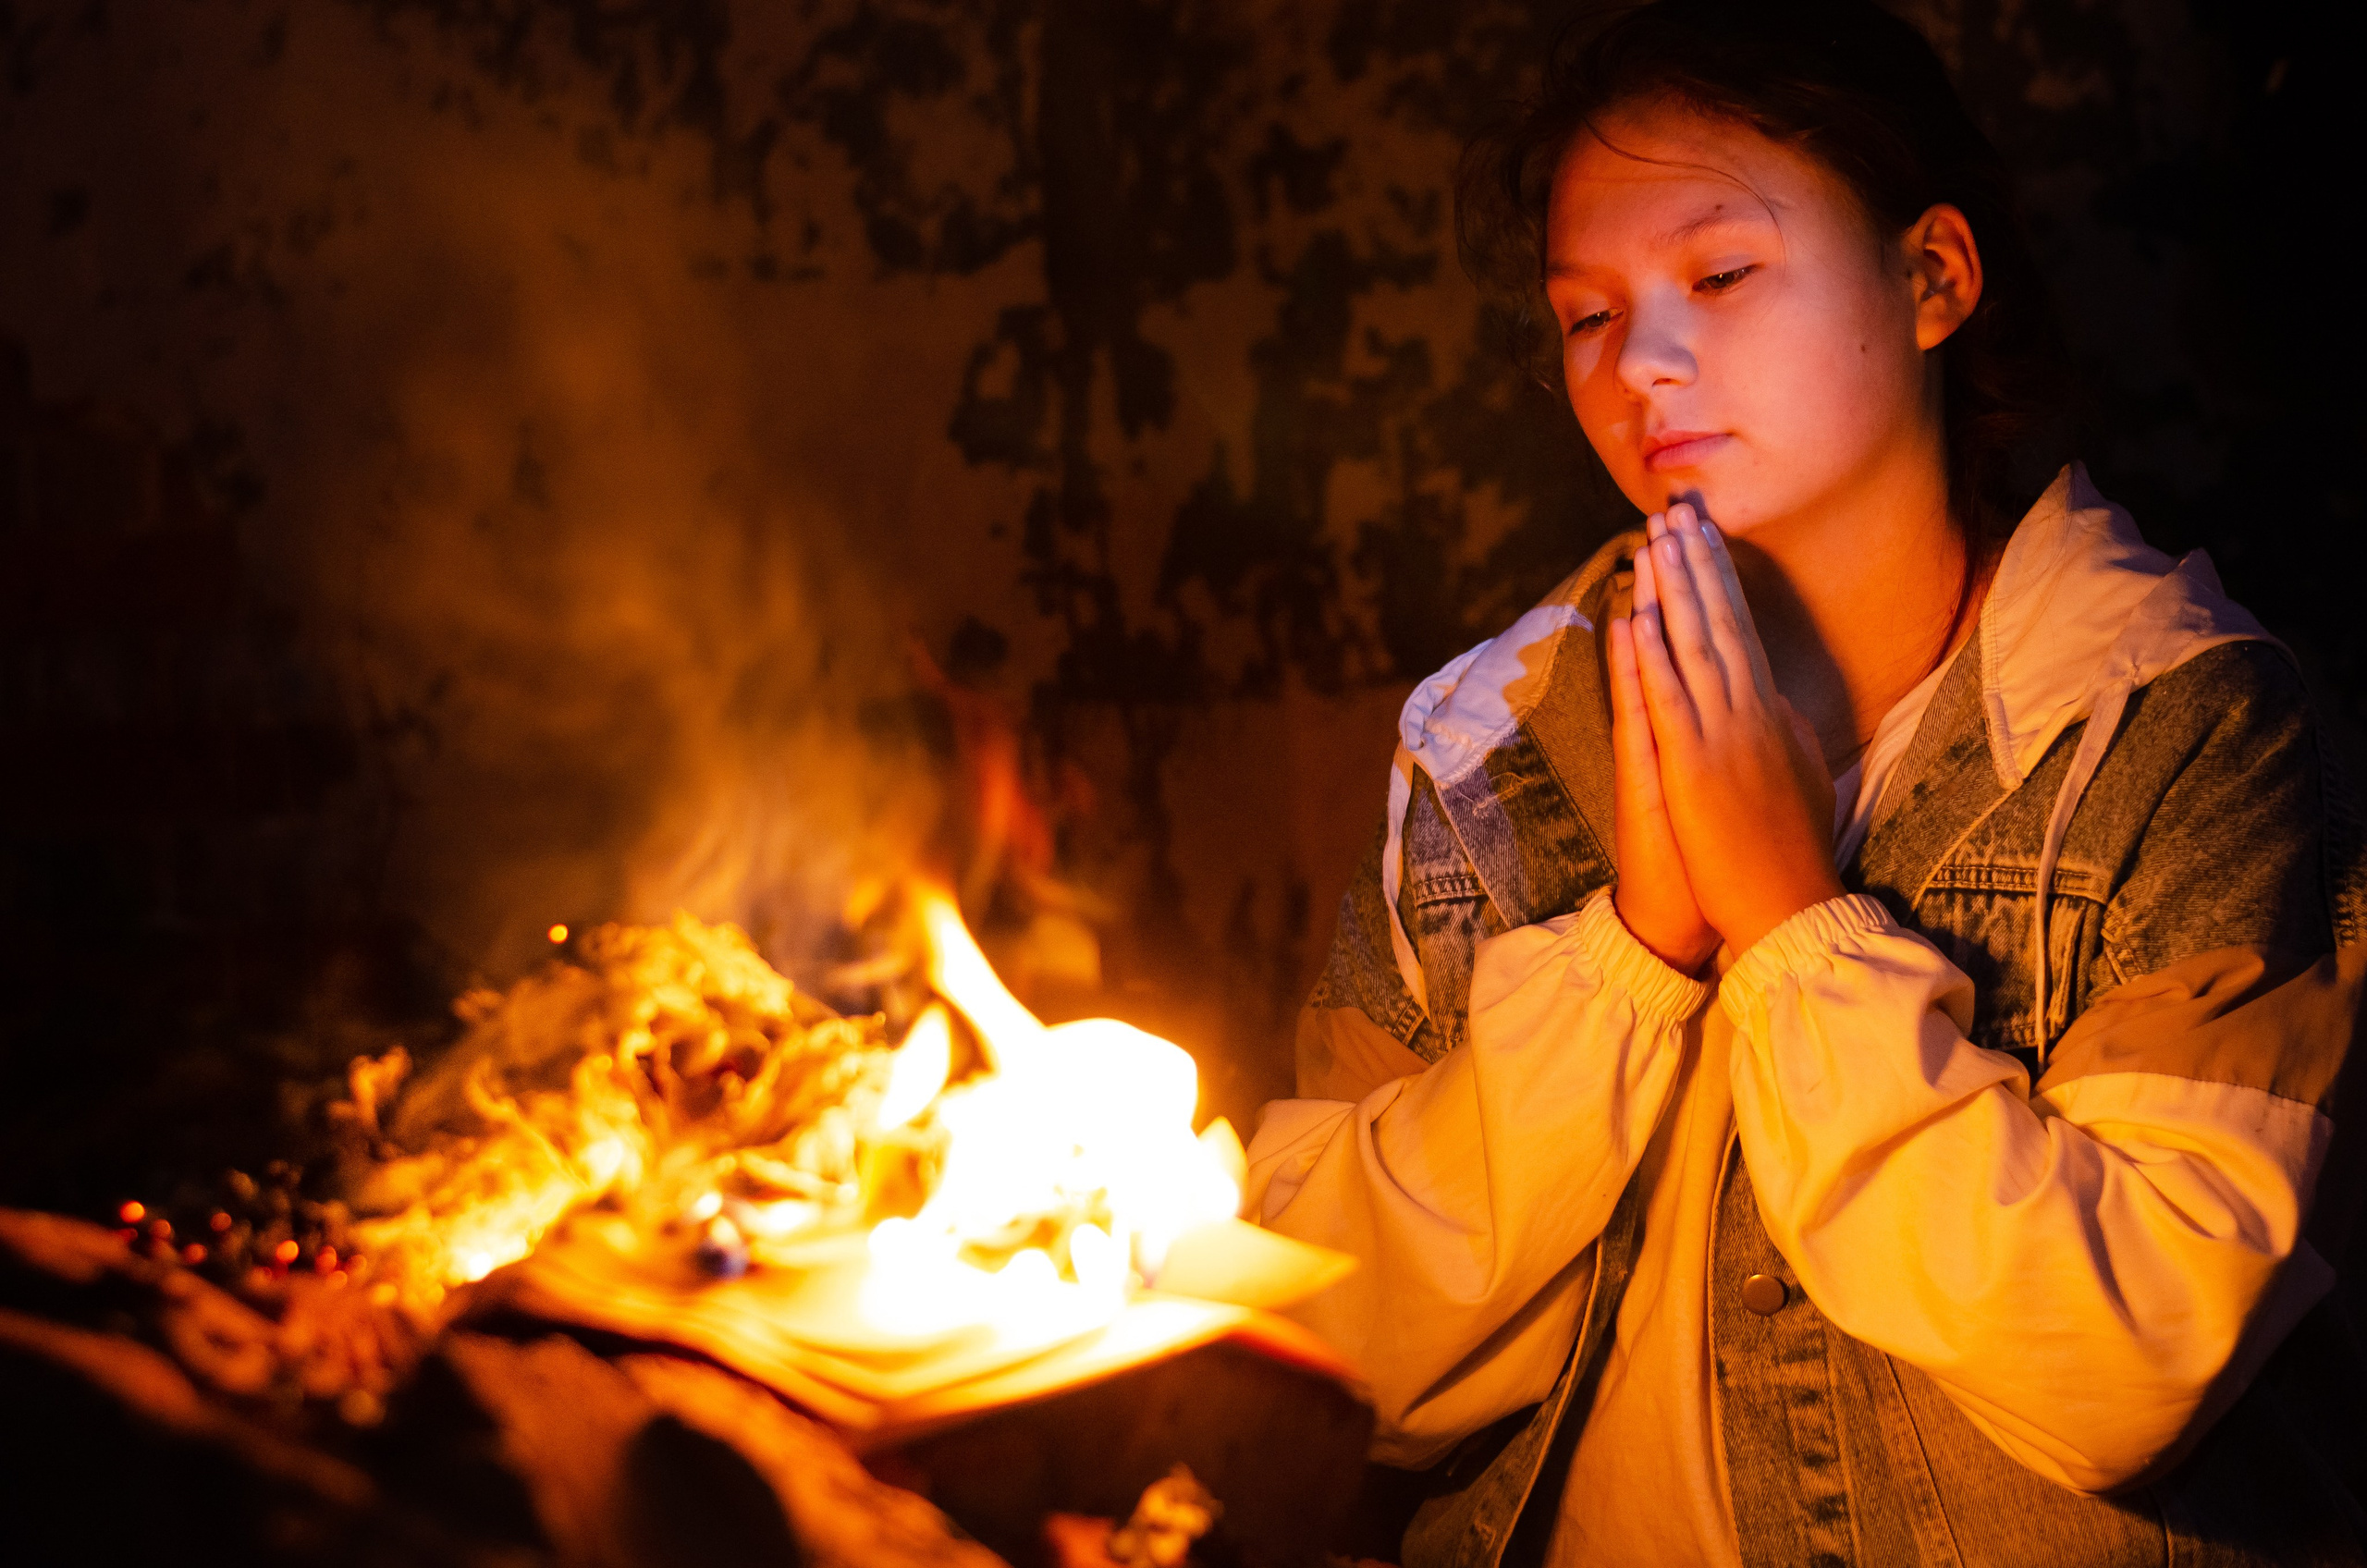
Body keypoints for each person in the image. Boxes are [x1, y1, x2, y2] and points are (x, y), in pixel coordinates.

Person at [1243, 2, 2367, 1564]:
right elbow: (1315, 1337)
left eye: (1720, 274)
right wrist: (1631, 950)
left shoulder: (2175, 724)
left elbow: (2126, 1370)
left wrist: (1790, 925)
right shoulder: (1487, 742)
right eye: (1585, 315)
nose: (1641, 362)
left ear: (1933, 279)